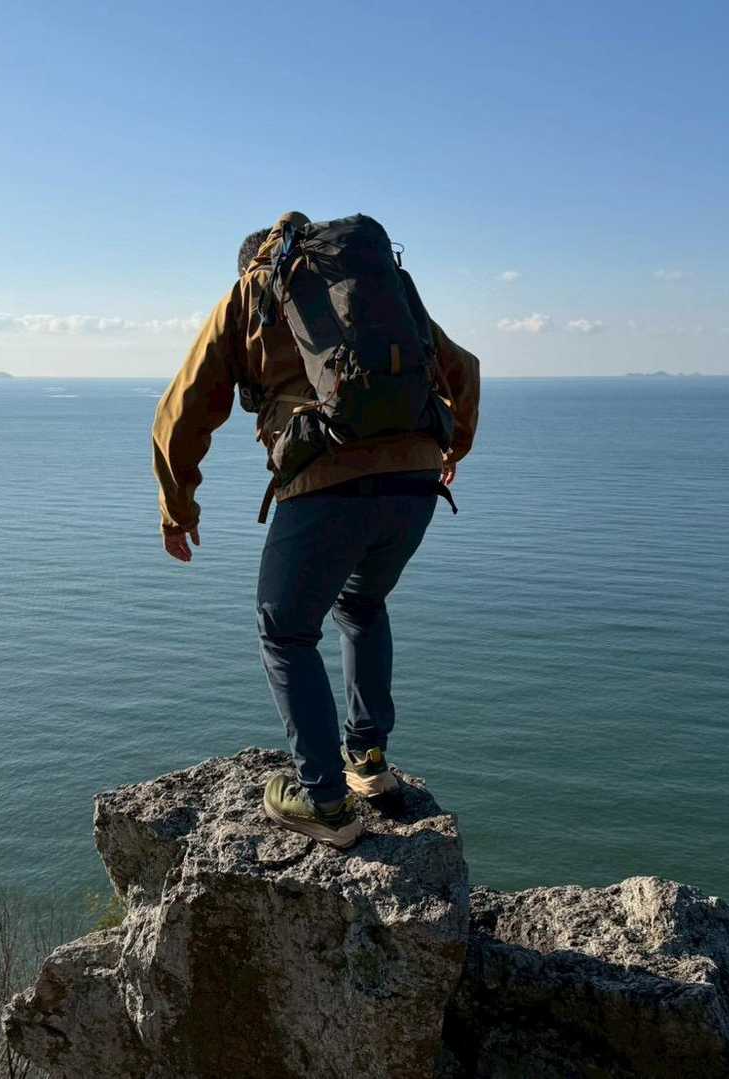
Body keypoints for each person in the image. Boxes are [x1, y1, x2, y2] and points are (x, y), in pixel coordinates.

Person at [151, 211, 481, 848]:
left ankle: (324, 801)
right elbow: (462, 369)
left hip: (326, 482)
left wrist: (178, 509)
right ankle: (369, 763)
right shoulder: (375, 287)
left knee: (285, 631)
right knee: (361, 604)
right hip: (414, 483)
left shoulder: (253, 291)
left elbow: (181, 409)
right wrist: (451, 450)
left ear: (254, 264)